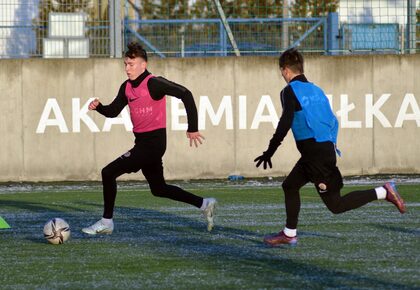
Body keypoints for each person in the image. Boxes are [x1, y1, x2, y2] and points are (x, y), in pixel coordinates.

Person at [254, 48, 406, 247]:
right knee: (290, 186)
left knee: (336, 205)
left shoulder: (289, 91)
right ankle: (289, 233)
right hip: (320, 150)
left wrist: (270, 151)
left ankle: (384, 192)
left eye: (281, 72)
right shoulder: (317, 90)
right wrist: (330, 144)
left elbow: (285, 122)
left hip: (314, 154)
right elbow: (333, 121)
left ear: (285, 70)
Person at [82, 42, 216, 235]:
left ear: (143, 65)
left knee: (108, 172)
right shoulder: (126, 87)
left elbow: (186, 94)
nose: (127, 68)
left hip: (153, 144)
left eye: (132, 64)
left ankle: (107, 221)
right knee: (158, 189)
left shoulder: (153, 83)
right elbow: (113, 111)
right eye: (126, 64)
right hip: (142, 143)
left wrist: (192, 127)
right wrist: (100, 107)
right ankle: (204, 204)